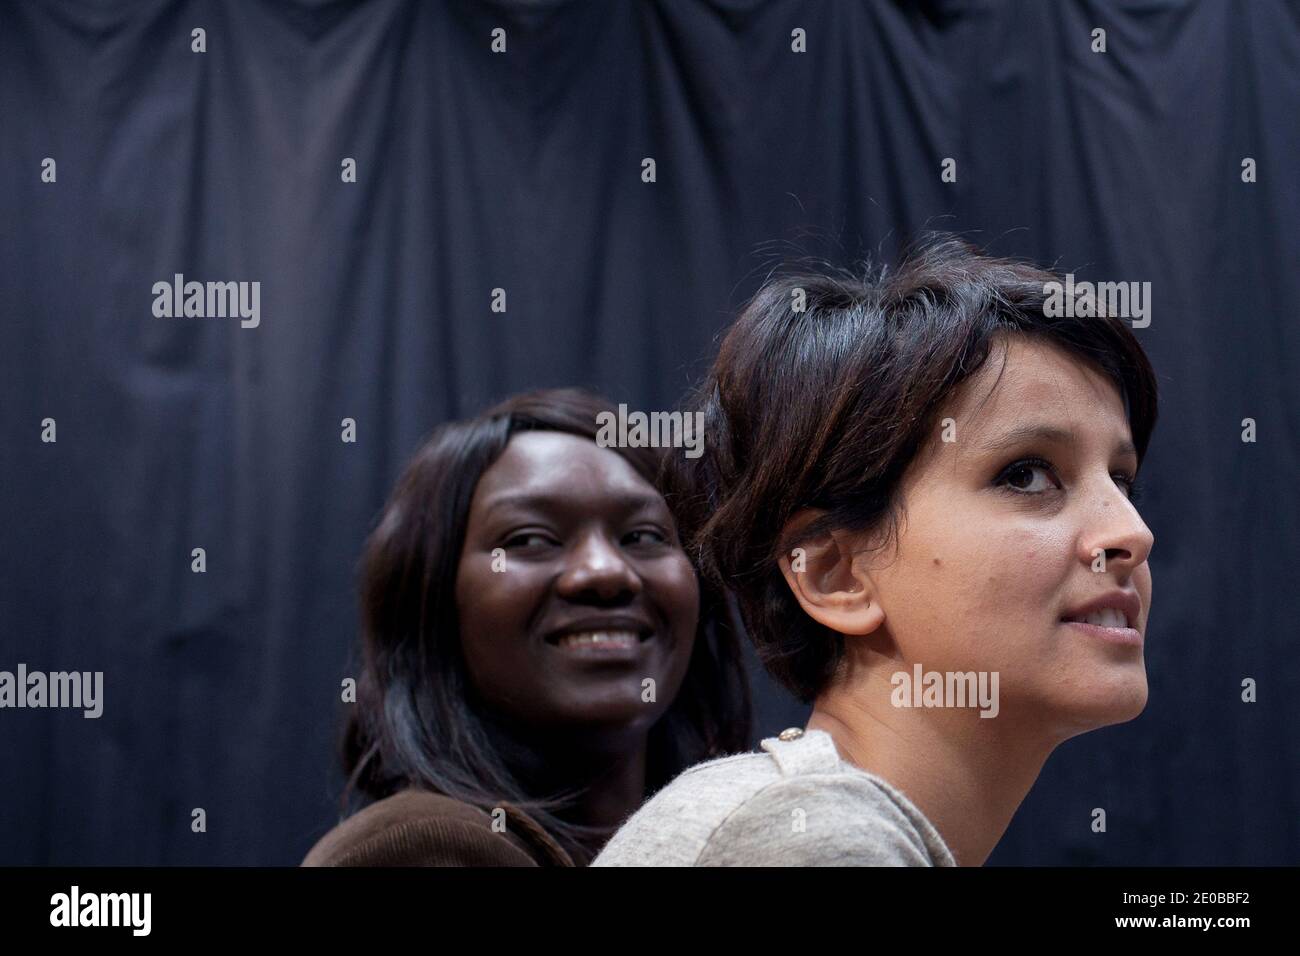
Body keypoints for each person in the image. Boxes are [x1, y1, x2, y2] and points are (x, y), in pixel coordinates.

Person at [593, 234, 1158, 866]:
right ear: (835, 575)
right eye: (1026, 474)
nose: (1131, 533)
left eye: (1121, 479)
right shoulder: (803, 835)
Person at [302, 387, 751, 866]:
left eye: (643, 536)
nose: (604, 572)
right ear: (432, 602)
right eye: (531, 539)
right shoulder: (420, 849)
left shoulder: (722, 841)